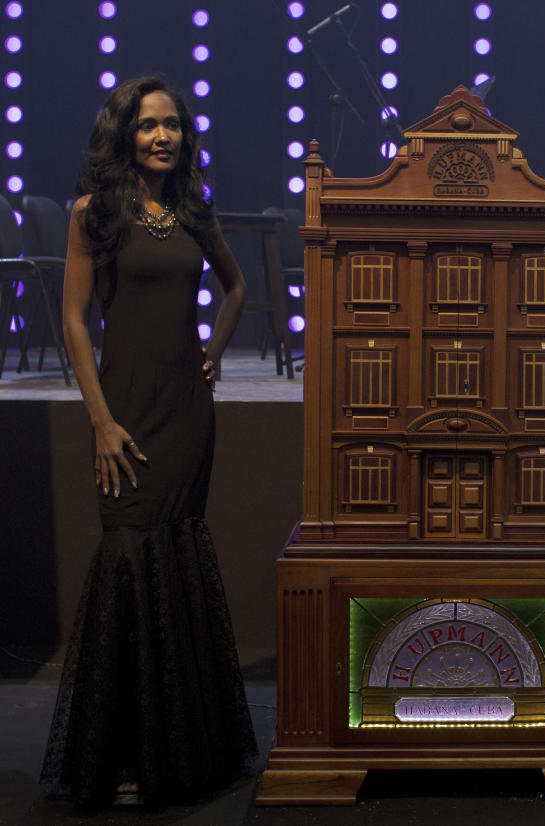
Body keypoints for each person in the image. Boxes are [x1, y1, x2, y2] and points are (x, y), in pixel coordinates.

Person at [40, 75, 256, 810]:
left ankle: (189, 751)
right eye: (147, 126)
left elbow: (236, 289)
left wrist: (215, 352)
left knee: (177, 555)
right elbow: (74, 322)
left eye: (171, 125)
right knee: (130, 559)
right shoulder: (92, 214)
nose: (162, 136)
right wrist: (99, 420)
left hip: (186, 408)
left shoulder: (193, 210)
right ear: (123, 135)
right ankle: (128, 751)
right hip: (126, 405)